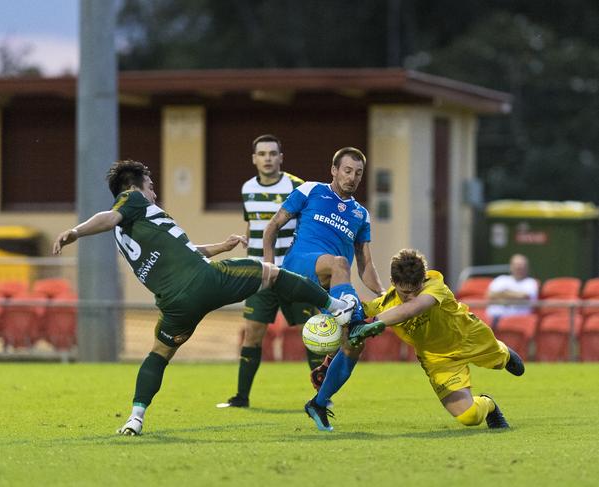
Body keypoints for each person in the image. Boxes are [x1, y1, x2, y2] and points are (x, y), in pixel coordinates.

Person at [52, 159, 357, 436]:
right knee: (272, 274)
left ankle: (135, 417)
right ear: (134, 186)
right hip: (205, 280)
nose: (154, 192)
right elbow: (108, 216)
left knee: (159, 353)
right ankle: (338, 307)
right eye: (151, 185)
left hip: (175, 305)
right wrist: (75, 232)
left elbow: (183, 250)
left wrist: (221, 247)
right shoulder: (130, 201)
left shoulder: (131, 229)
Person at [305, 248, 525, 432]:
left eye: (416, 290)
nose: (411, 296)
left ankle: (502, 352)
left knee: (506, 362)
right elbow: (349, 315)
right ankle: (490, 405)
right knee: (469, 417)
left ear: (424, 278)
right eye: (404, 292)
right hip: (438, 360)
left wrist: (372, 323)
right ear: (393, 282)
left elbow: (412, 309)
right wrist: (331, 345)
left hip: (471, 337)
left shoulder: (435, 284)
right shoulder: (383, 305)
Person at [263, 147, 385, 391]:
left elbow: (366, 264)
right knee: (339, 263)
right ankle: (348, 317)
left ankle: (322, 391)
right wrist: (269, 266)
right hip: (298, 265)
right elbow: (272, 227)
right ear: (334, 170)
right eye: (347, 171)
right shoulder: (311, 190)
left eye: (358, 173)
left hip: (331, 285)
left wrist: (383, 293)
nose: (352, 177)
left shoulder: (361, 214)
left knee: (355, 342)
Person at [217, 134, 320, 409]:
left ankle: (323, 397)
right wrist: (248, 245)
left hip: (292, 272)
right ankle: (241, 398)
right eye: (262, 154)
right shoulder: (247, 188)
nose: (267, 158)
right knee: (253, 332)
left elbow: (309, 227)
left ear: (281, 158)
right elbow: (253, 224)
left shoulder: (297, 187)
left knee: (312, 332)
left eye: (273, 154)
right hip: (259, 275)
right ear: (254, 159)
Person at [486, 253, 539, 324]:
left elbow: (524, 296)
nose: (518, 268)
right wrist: (513, 295)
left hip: (519, 319)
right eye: (516, 265)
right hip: (494, 318)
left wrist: (503, 293)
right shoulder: (501, 279)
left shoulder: (531, 282)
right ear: (511, 266)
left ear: (526, 267)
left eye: (521, 265)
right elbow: (490, 294)